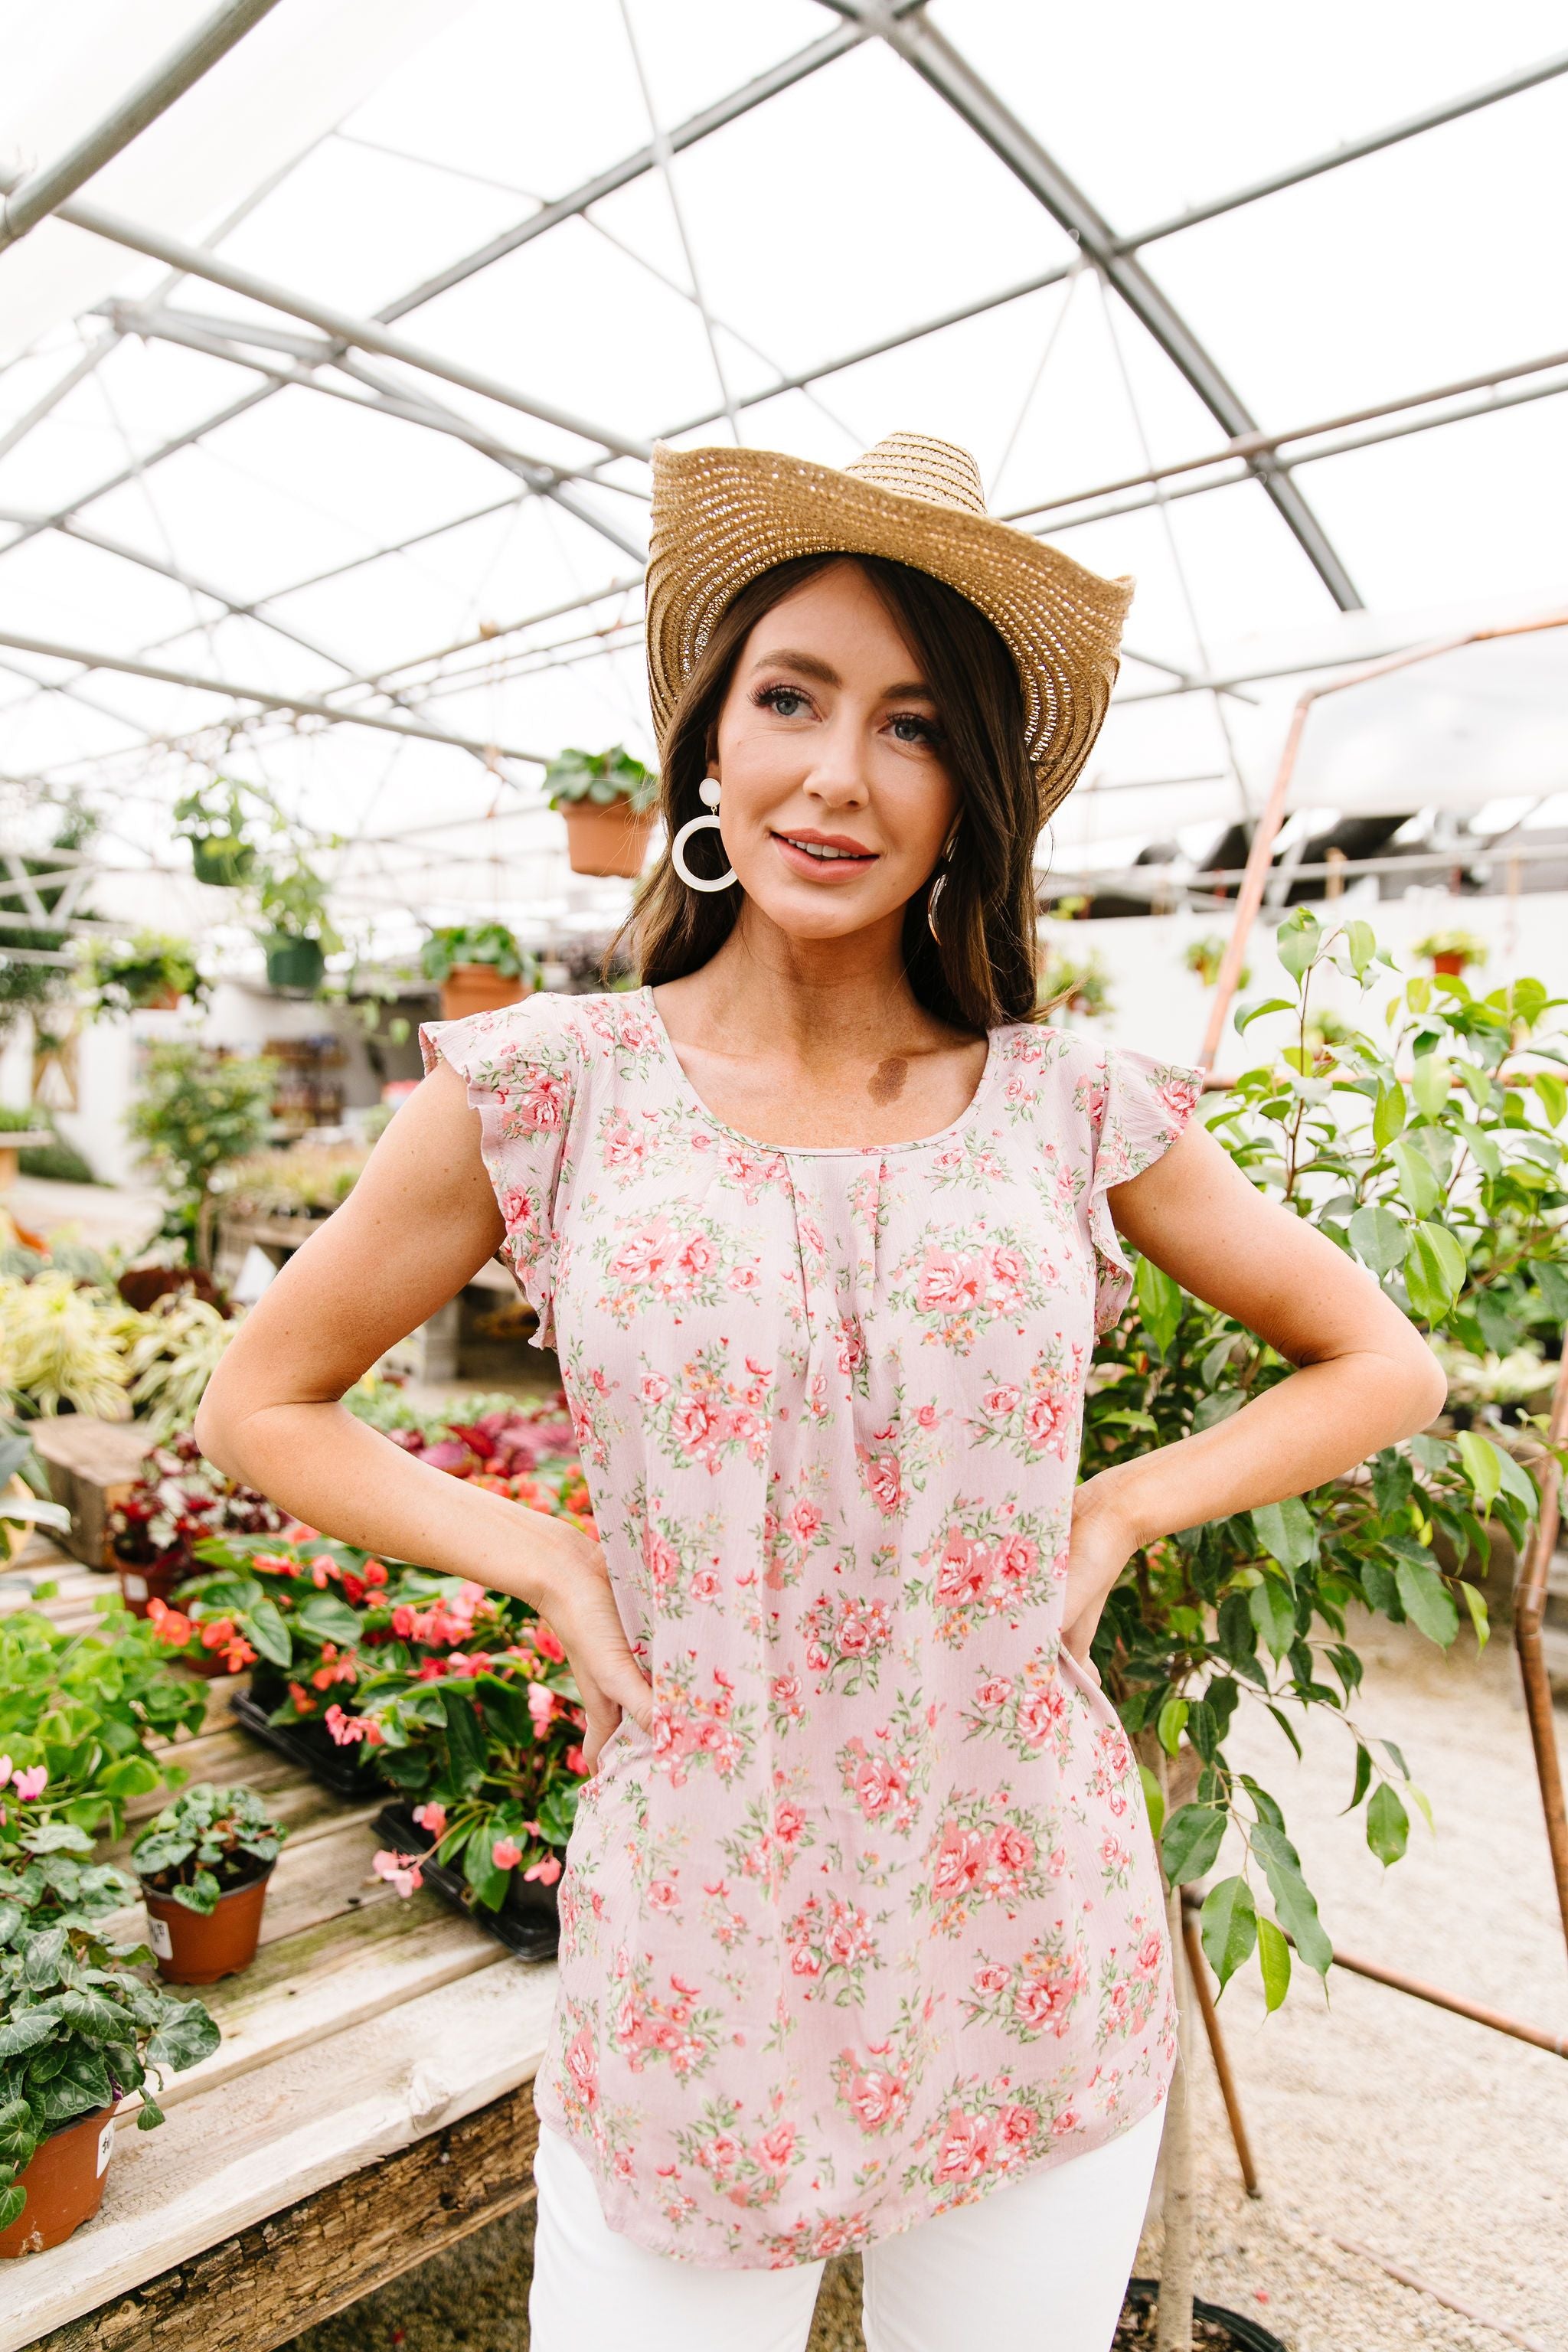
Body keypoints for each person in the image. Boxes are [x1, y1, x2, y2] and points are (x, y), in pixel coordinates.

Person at [197, 433, 1445, 2351]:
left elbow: (1382, 1357)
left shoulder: (1065, 1097)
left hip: (1025, 1914)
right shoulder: (543, 1085)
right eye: (789, 698)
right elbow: (262, 1400)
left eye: (916, 726)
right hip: (704, 1936)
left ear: (976, 796)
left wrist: (1117, 1507)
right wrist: (539, 1552)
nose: (835, 776)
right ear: (707, 744)